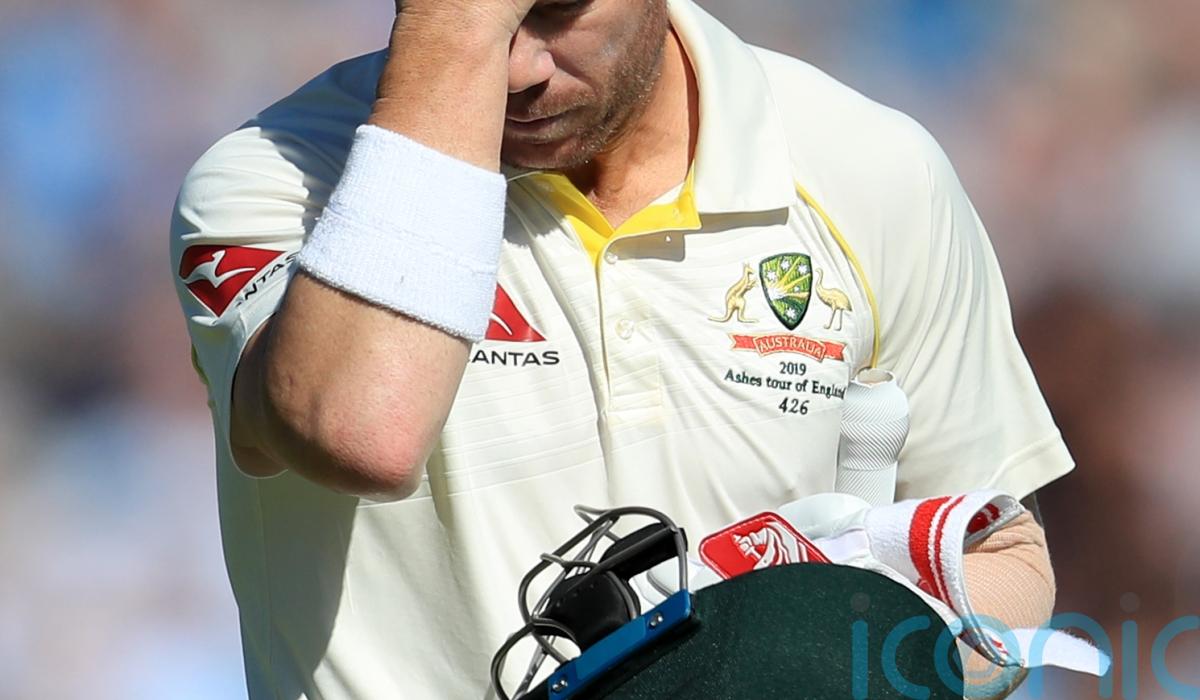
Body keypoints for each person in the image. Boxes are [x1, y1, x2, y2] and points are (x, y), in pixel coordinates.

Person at [170, 0, 1073, 697]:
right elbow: (364, 430)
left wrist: (816, 661)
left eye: (557, 7)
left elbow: (1003, 562)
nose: (517, 67)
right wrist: (450, 45)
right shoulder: (281, 176)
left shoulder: (871, 166)